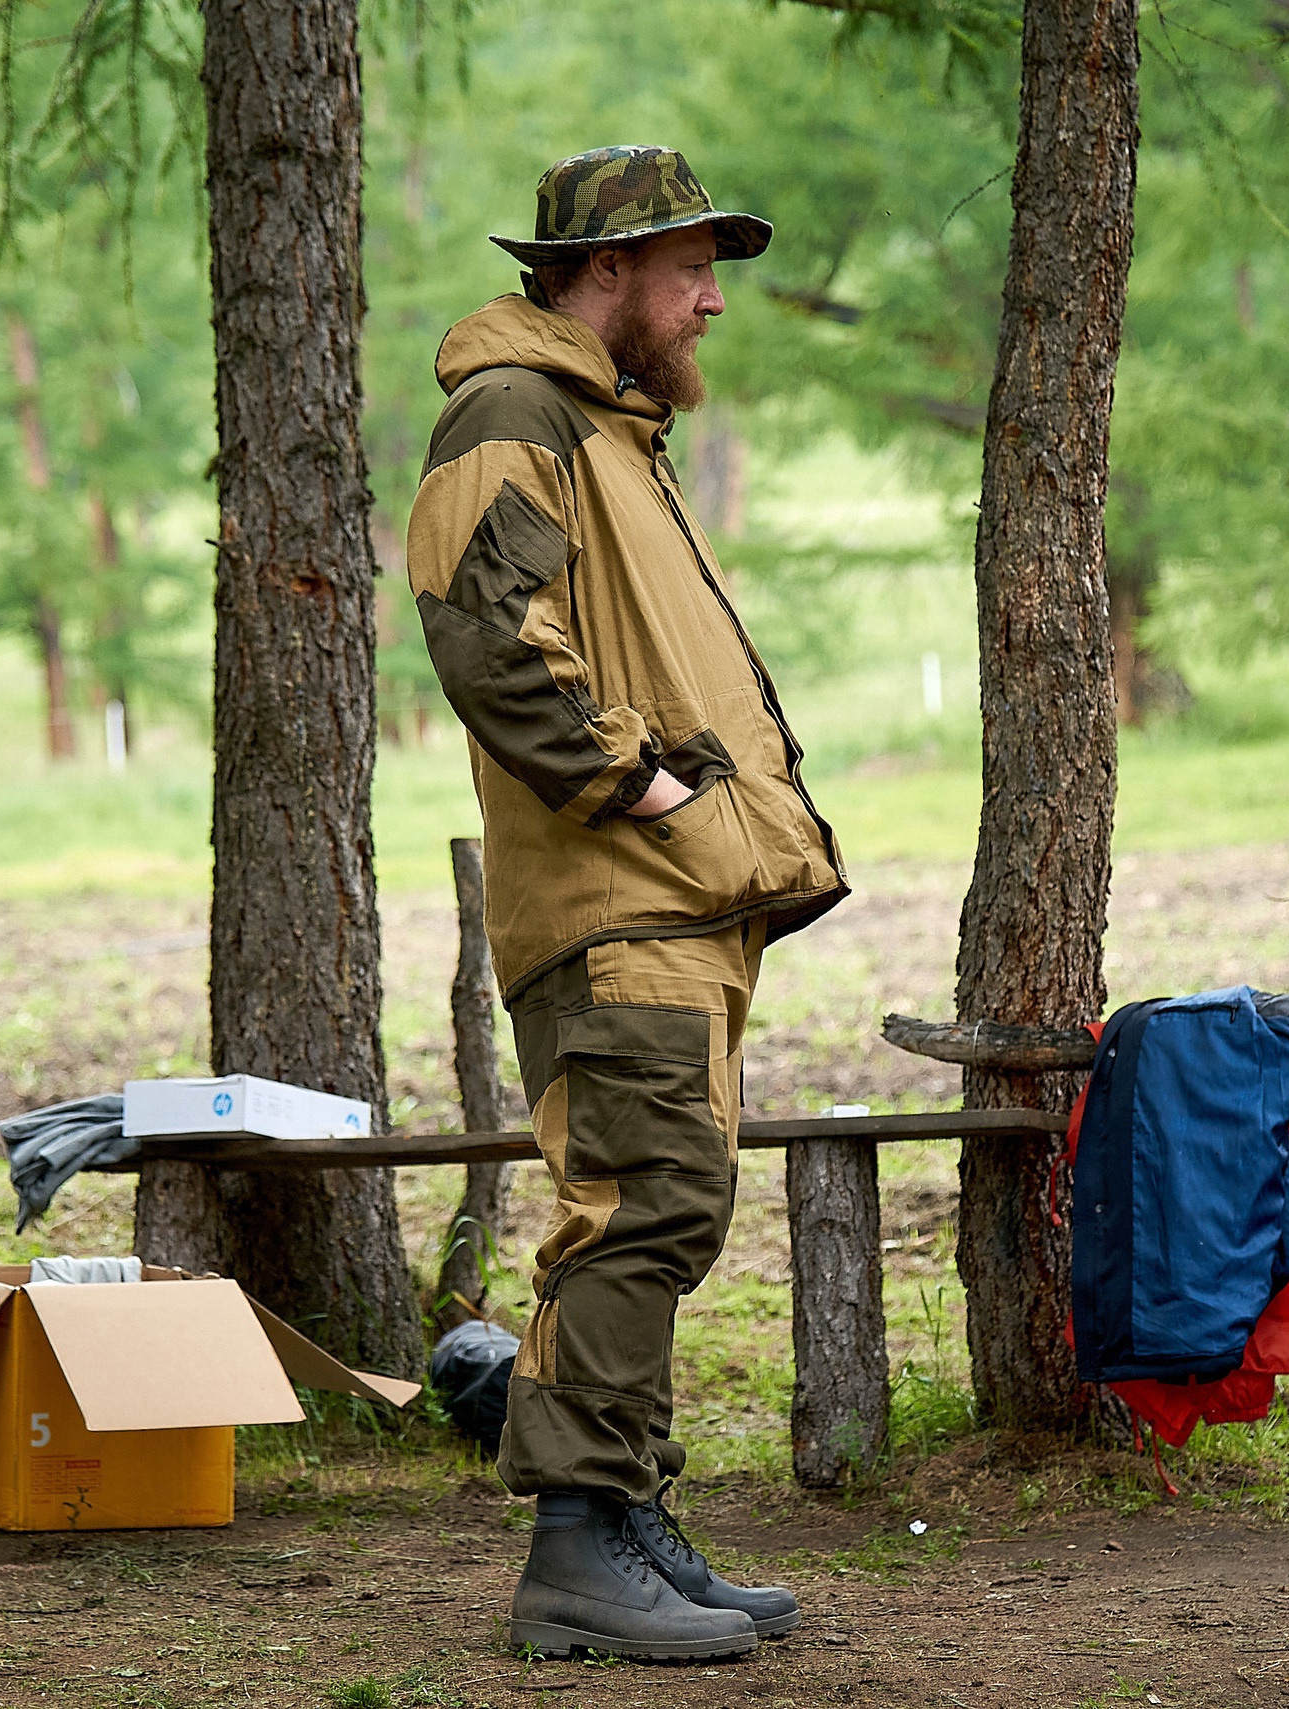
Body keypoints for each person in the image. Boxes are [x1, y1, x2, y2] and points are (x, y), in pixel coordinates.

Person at [405, 145, 850, 1661]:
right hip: (617, 894)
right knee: (640, 1209)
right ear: (608, 272)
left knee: (664, 1206)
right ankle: (576, 1557)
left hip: (666, 901)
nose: (713, 298)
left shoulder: (607, 427)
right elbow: (484, 629)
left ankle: (626, 1520)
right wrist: (643, 788)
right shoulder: (514, 412)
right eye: (692, 268)